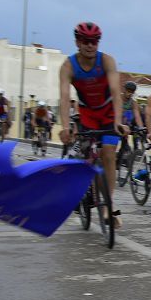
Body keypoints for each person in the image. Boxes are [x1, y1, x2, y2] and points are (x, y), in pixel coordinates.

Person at [58, 21, 129, 228]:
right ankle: (83, 191)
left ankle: (108, 205)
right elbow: (64, 98)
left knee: (108, 154)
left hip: (108, 113)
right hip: (87, 115)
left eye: (94, 41)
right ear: (77, 42)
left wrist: (117, 121)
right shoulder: (68, 66)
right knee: (83, 158)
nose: (90, 45)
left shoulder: (106, 61)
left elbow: (116, 93)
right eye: (85, 41)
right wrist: (64, 126)